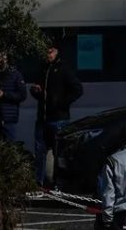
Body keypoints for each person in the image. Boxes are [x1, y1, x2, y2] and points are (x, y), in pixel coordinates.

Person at [31, 44, 83, 186]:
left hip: (58, 118)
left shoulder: (63, 69)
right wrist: (36, 91)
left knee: (58, 152)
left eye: (50, 52)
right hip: (43, 117)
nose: (48, 55)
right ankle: (38, 183)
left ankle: (58, 183)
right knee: (40, 151)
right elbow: (38, 90)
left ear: (56, 51)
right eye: (46, 53)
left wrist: (62, 103)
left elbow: (78, 89)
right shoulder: (43, 68)